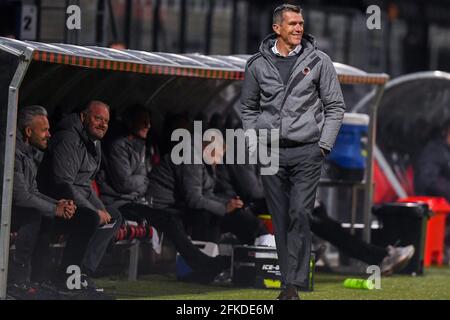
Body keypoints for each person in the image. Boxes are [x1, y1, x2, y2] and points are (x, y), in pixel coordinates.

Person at [240, 4, 346, 300]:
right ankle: (289, 286)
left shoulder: (320, 61)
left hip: (308, 152)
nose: (299, 28)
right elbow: (248, 108)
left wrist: (323, 145)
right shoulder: (256, 65)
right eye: (292, 24)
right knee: (281, 218)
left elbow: (335, 107)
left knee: (299, 211)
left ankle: (292, 283)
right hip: (270, 153)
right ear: (277, 28)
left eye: (301, 23)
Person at [97, 105, 229, 282]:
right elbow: (125, 183)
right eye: (143, 121)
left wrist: (141, 181)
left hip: (137, 200)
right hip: (120, 204)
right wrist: (143, 181)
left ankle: (202, 266)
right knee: (170, 219)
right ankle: (203, 265)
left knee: (188, 217)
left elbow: (139, 179)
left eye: (149, 121)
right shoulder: (118, 147)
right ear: (129, 122)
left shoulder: (140, 146)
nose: (148, 125)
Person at [37, 101, 122, 297]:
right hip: (54, 202)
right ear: (83, 117)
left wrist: (103, 211)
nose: (103, 125)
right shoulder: (67, 139)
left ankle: (82, 272)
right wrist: (94, 212)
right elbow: (63, 185)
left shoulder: (94, 142)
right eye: (98, 118)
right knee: (89, 219)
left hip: (74, 200)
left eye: (106, 121)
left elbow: (86, 183)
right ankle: (66, 279)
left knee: (115, 216)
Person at [8, 105, 79, 299]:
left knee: (43, 215)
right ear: (28, 131)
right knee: (33, 214)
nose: (49, 134)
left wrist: (58, 204)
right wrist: (54, 209)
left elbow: (33, 191)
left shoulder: (27, 153)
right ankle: (17, 280)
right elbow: (21, 196)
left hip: (12, 212)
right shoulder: (10, 153)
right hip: (6, 213)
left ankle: (38, 280)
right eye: (45, 130)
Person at [414, 120, 450, 202]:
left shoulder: (446, 152)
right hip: (434, 207)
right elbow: (428, 180)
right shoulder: (434, 151)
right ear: (446, 132)